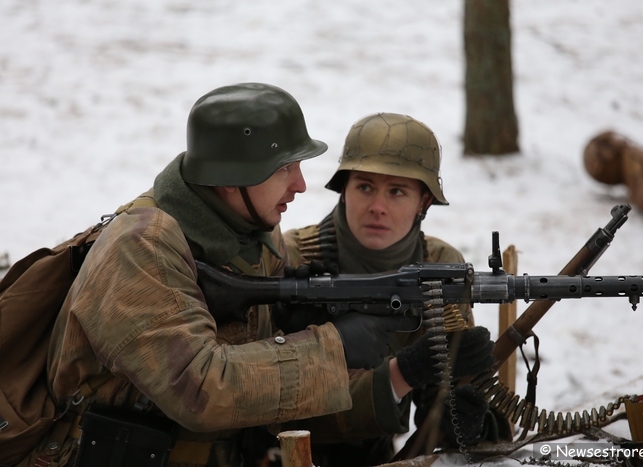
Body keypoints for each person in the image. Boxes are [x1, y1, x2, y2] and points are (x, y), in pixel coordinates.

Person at [19, 84, 422, 467]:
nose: (300, 185)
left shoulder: (255, 231)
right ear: (231, 178)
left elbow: (263, 388)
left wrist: (296, 323)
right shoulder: (140, 249)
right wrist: (332, 347)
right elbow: (201, 390)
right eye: (285, 168)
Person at [279, 113, 497, 466]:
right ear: (344, 191)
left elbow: (452, 390)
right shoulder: (295, 257)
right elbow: (268, 401)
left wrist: (464, 420)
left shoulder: (440, 264)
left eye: (397, 191)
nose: (377, 207)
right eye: (364, 187)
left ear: (423, 202)